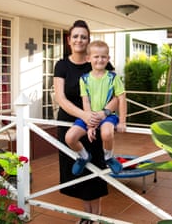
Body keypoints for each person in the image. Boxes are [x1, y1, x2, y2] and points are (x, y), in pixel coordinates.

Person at [53, 20, 117, 223]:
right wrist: (84, 115)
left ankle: (95, 216)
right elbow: (60, 98)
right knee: (78, 169)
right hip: (72, 124)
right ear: (69, 40)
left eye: (83, 36)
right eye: (76, 36)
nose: (79, 40)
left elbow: (116, 95)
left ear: (88, 40)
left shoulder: (98, 60)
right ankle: (86, 215)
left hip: (97, 123)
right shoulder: (62, 65)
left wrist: (103, 113)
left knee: (96, 169)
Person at [65, 40, 126, 176]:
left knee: (106, 134)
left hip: (108, 116)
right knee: (70, 137)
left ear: (108, 58)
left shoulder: (113, 78)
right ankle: (84, 156)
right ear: (88, 58)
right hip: (89, 116)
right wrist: (90, 122)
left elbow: (121, 99)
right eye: (96, 56)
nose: (100, 60)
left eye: (103, 56)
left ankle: (109, 157)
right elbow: (85, 101)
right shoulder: (84, 79)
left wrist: (122, 121)